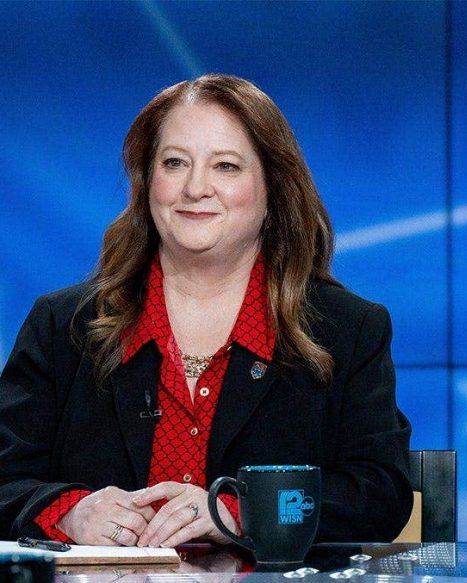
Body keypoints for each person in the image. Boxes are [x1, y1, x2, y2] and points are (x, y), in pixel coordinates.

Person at [0, 74, 412, 548]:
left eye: (226, 166)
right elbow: (7, 480)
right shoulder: (62, 326)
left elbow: (379, 494)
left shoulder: (348, 330)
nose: (196, 188)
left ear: (273, 190)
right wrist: (69, 513)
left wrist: (239, 513)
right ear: (146, 183)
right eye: (174, 163)